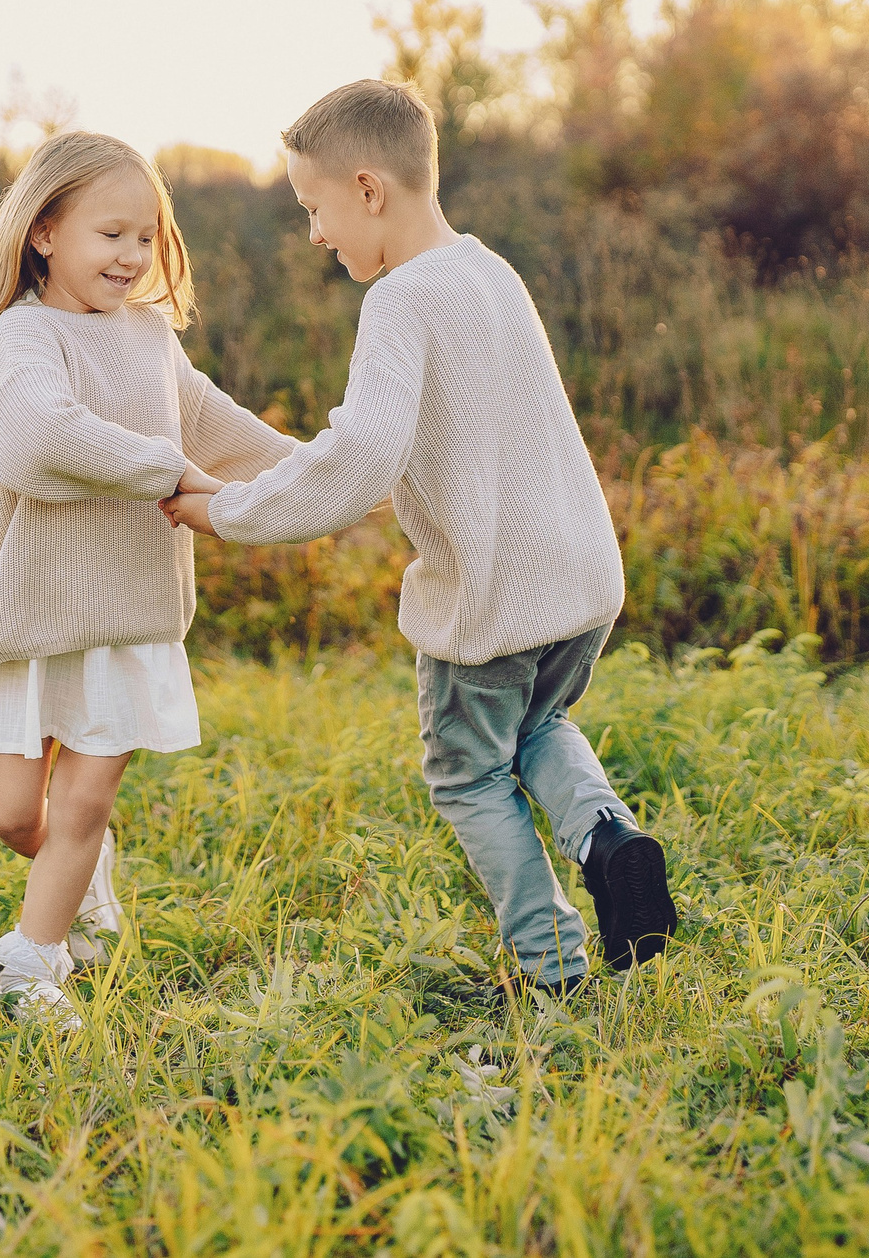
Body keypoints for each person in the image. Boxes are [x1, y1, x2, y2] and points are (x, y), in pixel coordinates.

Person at [161, 79, 675, 993]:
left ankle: (553, 967)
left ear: (369, 190)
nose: (314, 233)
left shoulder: (399, 301)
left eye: (314, 208)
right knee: (540, 723)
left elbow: (361, 458)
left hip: (491, 598)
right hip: (582, 581)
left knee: (468, 775)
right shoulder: (490, 271)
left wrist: (220, 509)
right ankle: (608, 838)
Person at [0, 131, 296, 1024]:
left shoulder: (152, 339)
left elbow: (218, 427)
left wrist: (322, 475)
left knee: (85, 797)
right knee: (14, 814)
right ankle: (79, 880)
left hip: (132, 613)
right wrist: (168, 472)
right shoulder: (25, 336)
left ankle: (34, 968)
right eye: (111, 235)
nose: (132, 257)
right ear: (45, 233)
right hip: (35, 617)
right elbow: (37, 437)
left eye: (146, 237)